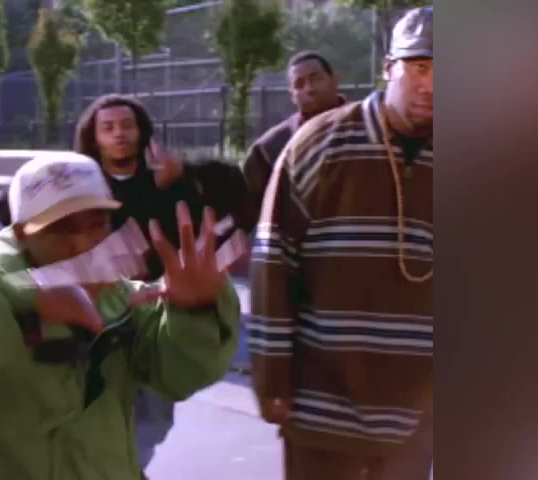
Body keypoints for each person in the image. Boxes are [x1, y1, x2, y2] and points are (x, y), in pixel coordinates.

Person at [0, 151, 241, 480]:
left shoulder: (121, 300)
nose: (82, 241)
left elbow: (179, 372)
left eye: (97, 223)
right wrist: (19, 301)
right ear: (22, 233)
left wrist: (194, 310)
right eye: (61, 228)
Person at [247, 7, 433, 480]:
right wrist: (271, 375)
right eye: (420, 67)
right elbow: (273, 262)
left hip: (417, 415)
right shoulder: (320, 144)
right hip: (322, 406)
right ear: (388, 67)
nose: (432, 85)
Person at [73, 93, 254, 477]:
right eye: (108, 128)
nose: (119, 134)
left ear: (142, 132)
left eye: (127, 125)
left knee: (150, 421)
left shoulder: (169, 182)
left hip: (157, 322)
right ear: (94, 138)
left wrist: (184, 174)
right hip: (93, 324)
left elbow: (236, 193)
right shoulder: (80, 187)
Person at [242, 51, 345, 219]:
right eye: (299, 84)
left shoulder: (370, 128)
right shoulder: (270, 148)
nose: (309, 89)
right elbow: (251, 212)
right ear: (291, 94)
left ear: (335, 80)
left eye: (316, 79)